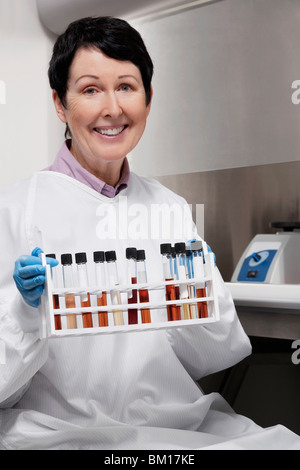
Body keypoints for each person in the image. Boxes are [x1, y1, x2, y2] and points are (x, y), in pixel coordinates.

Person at [0, 16, 299, 450]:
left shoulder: (169, 209)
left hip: (175, 426)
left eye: (126, 86)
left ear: (148, 98)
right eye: (89, 89)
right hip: (60, 433)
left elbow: (214, 356)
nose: (112, 108)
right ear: (60, 104)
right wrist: (25, 316)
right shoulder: (16, 209)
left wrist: (198, 290)